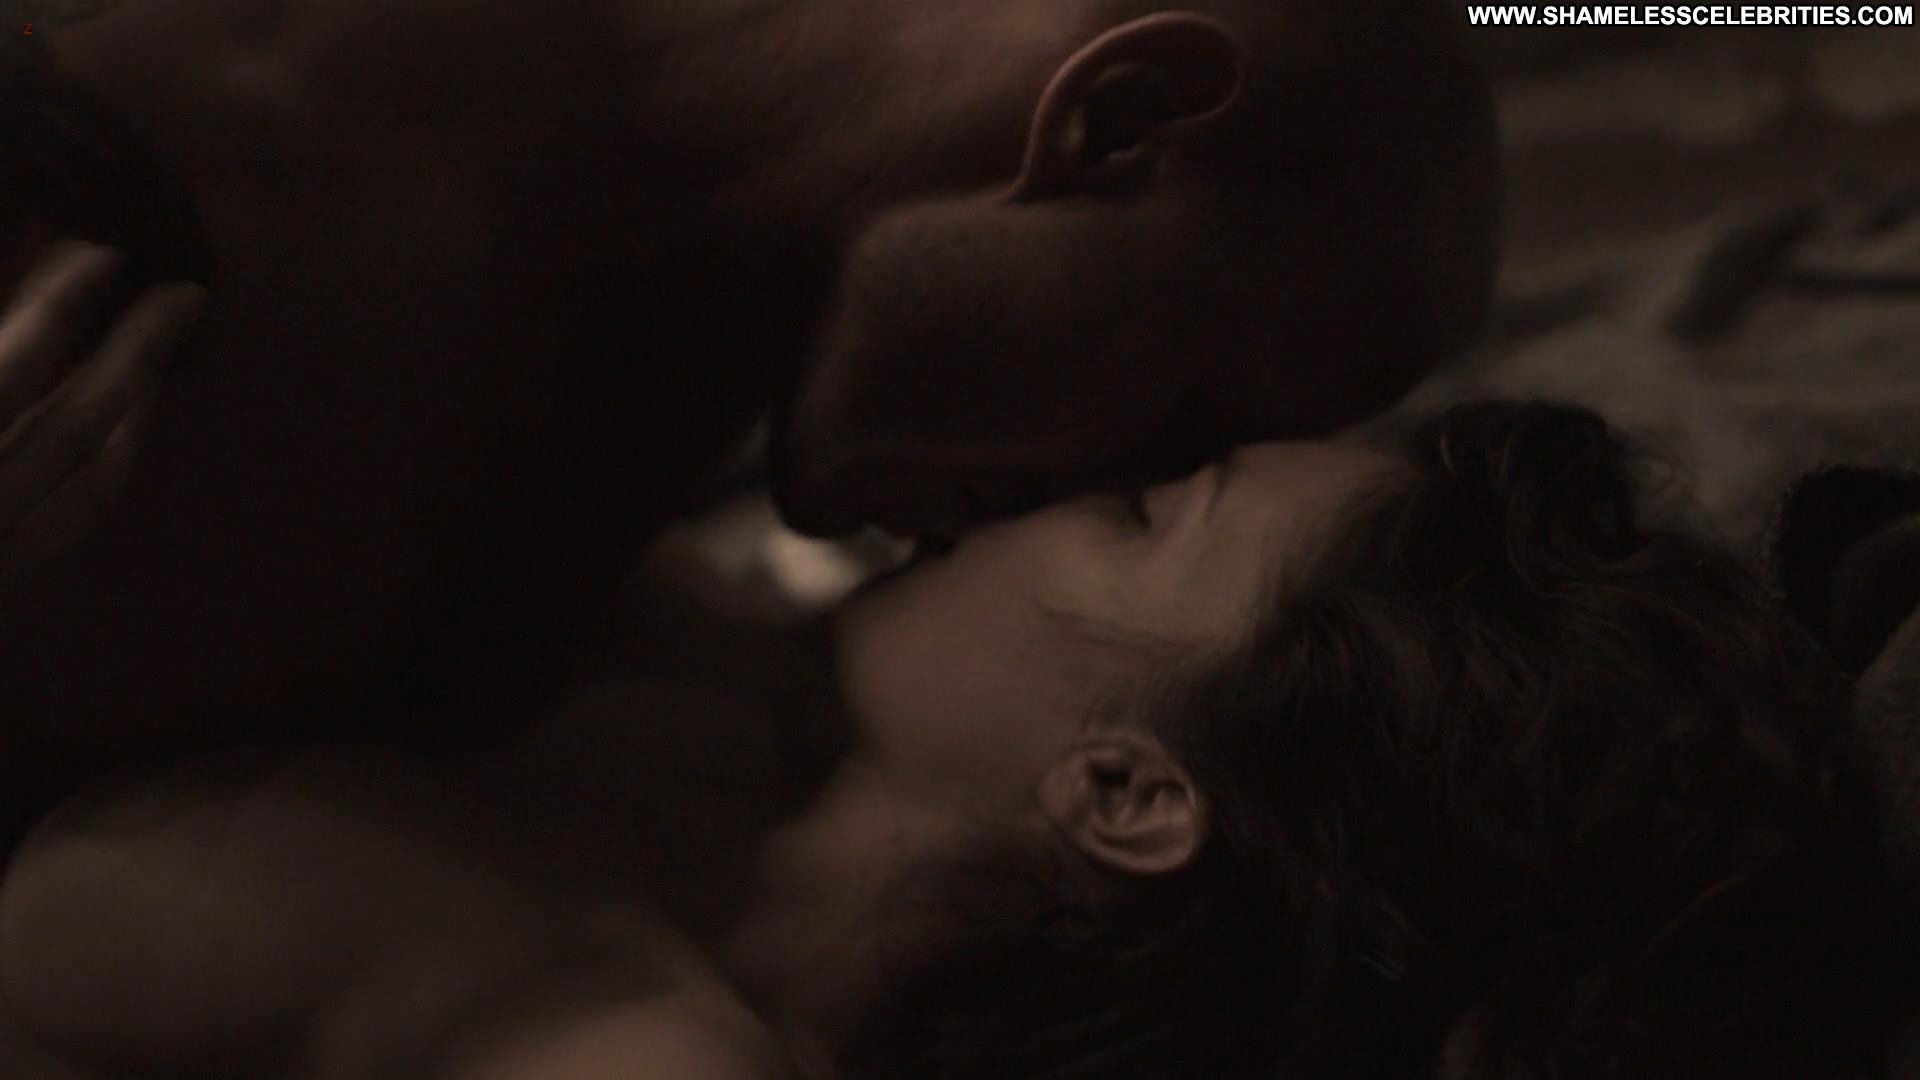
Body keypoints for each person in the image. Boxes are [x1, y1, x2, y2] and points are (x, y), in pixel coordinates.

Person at [3, 400, 1903, 1078]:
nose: (1051, 473)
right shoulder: (705, 677)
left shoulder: (620, 1049)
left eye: (1143, 506)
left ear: (1128, 790)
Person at [0, 0, 1500, 801]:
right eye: (1179, 423)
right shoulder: (121, 178)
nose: (1082, 506)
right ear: (1121, 118)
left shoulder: (693, 341)